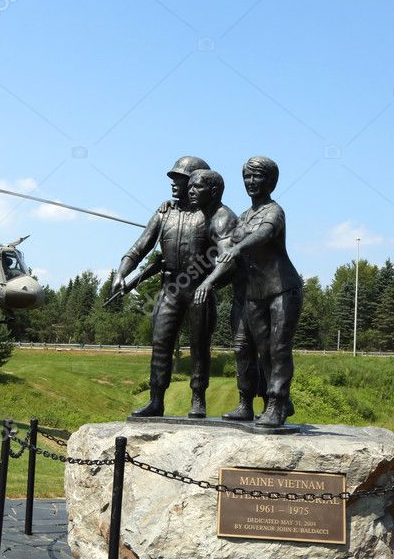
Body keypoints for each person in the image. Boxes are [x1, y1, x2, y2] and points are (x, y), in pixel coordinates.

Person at [196, 156, 301, 427]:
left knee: (276, 349)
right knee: (247, 347)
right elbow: (226, 249)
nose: (252, 182)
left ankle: (277, 403)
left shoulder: (273, 212)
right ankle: (246, 403)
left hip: (282, 289)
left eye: (258, 177)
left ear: (271, 182)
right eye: (248, 177)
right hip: (254, 293)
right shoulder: (243, 218)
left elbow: (264, 235)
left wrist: (238, 247)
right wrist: (212, 268)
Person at [111, 156, 216, 418]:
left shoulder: (210, 214)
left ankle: (198, 400)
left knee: (199, 346)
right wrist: (121, 273)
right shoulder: (164, 212)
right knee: (161, 344)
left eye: (180, 179)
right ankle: (155, 400)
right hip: (169, 288)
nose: (174, 183)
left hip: (198, 288)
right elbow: (140, 246)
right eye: (173, 178)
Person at [186, 169, 263, 421]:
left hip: (252, 291)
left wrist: (208, 283)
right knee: (244, 348)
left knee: (249, 348)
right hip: (244, 291)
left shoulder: (221, 219)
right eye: (189, 187)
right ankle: (256, 403)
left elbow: (228, 260)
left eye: (196, 187)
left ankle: (275, 400)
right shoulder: (207, 215)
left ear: (214, 192)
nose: (190, 191)